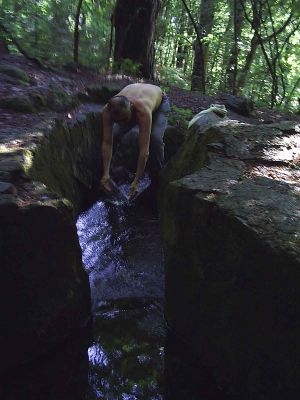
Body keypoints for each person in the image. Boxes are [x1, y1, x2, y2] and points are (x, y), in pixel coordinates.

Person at [101, 83, 170, 201]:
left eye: (124, 119)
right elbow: (107, 143)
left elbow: (144, 151)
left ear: (131, 108)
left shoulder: (143, 111)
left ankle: (157, 178)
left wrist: (136, 181)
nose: (122, 123)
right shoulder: (107, 110)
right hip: (133, 97)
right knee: (115, 134)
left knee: (155, 139)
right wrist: (105, 173)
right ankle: (111, 173)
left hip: (159, 104)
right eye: (117, 121)